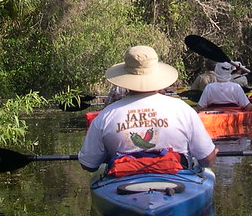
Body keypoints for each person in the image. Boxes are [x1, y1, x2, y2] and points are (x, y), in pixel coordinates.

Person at [79, 45, 218, 172]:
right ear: (158, 76)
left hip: (123, 183)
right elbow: (207, 159)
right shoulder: (183, 109)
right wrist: (212, 154)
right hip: (177, 180)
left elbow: (89, 164)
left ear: (125, 78)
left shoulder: (106, 115)